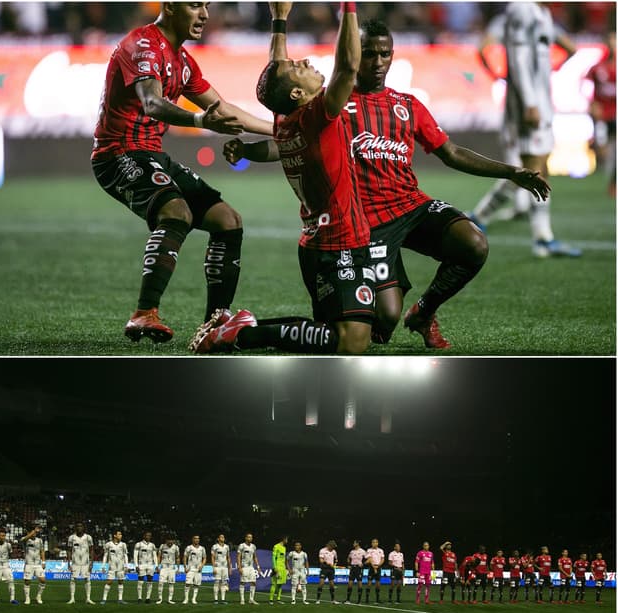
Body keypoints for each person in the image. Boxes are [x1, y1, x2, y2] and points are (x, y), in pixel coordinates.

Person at [224, 17, 552, 349]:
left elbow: (450, 152)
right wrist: (249, 151)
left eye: (386, 53)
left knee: (473, 244)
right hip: (368, 222)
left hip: (411, 206)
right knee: (383, 324)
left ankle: (424, 312)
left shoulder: (406, 105)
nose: (379, 62)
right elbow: (288, 142)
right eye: (369, 54)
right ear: (356, 53)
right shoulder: (332, 105)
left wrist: (510, 171)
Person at [90, 1, 273, 345]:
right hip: (117, 153)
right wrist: (201, 121)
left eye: (206, 6)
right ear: (171, 6)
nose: (204, 14)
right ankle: (144, 312)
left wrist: (283, 130)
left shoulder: (183, 61)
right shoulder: (142, 45)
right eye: (194, 5)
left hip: (153, 154)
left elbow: (226, 110)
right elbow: (152, 103)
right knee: (177, 212)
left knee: (228, 221)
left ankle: (215, 322)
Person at [198, 1, 374, 355]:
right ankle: (242, 336)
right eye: (299, 67)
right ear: (298, 94)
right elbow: (349, 66)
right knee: (351, 342)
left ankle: (241, 327)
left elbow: (276, 75)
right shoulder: (316, 116)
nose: (306, 61)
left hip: (316, 243)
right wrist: (348, 6)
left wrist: (279, 19)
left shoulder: (286, 119)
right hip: (339, 241)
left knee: (335, 332)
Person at [471, 3, 580, 257]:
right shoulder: (522, 9)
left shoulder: (542, 13)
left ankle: (480, 216)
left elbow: (566, 48)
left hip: (539, 102)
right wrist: (530, 101)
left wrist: (546, 76)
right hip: (525, 105)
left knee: (535, 167)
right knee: (532, 168)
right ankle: (542, 240)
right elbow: (518, 58)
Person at [586, 31, 616, 197]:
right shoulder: (598, 68)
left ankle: (614, 183)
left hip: (615, 115)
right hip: (603, 116)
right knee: (603, 150)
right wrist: (592, 105)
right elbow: (589, 89)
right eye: (610, 40)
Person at [66, 523, 95, 604]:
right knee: (72, 579)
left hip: (85, 562)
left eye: (81, 526)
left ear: (83, 528)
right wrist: (68, 563)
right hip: (75, 562)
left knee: (87, 579)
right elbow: (68, 550)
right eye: (78, 526)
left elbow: (92, 550)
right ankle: (72, 598)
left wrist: (92, 562)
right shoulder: (71, 538)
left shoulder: (88, 537)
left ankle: (88, 598)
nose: (79, 528)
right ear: (75, 528)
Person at [19, 525, 48, 605]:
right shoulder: (25, 540)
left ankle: (38, 596)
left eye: (35, 532)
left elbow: (42, 551)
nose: (34, 533)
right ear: (29, 532)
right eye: (32, 532)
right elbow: (24, 539)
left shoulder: (40, 540)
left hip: (38, 564)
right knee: (27, 581)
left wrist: (43, 562)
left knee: (43, 580)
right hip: (29, 564)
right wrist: (34, 531)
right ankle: (27, 598)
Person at [101, 530, 130, 604]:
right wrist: (103, 566)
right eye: (119, 534)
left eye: (121, 534)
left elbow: (125, 555)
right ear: (115, 535)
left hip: (121, 567)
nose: (121, 535)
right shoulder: (108, 544)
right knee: (109, 582)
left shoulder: (123, 544)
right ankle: (104, 599)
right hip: (112, 567)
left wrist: (126, 566)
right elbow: (105, 555)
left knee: (121, 582)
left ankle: (120, 599)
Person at [133, 531, 158, 603]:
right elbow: (135, 555)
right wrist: (136, 565)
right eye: (147, 535)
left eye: (150, 536)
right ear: (144, 536)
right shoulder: (139, 544)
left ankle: (148, 598)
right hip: (142, 564)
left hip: (150, 565)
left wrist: (156, 565)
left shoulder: (152, 545)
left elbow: (155, 556)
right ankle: (139, 598)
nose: (148, 537)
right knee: (140, 581)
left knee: (150, 581)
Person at [182, 534, 207, 605]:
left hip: (198, 569)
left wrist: (202, 565)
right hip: (190, 568)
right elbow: (184, 557)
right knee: (187, 584)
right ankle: (186, 599)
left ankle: (194, 599)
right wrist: (185, 566)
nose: (197, 540)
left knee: (196, 584)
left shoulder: (202, 548)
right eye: (195, 538)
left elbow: (204, 558)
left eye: (198, 538)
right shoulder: (189, 547)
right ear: (193, 539)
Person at [236, 532, 259, 605]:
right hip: (244, 566)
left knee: (253, 582)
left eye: (251, 537)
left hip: (251, 567)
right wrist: (239, 567)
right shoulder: (241, 546)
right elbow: (238, 556)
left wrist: (258, 566)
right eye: (249, 537)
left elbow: (255, 557)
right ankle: (242, 599)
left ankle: (251, 599)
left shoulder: (253, 546)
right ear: (246, 538)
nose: (250, 538)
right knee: (243, 582)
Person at [157, 536, 181, 604]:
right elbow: (159, 556)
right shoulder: (162, 546)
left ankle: (170, 599)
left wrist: (178, 568)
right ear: (166, 540)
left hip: (171, 567)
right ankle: (160, 599)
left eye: (172, 540)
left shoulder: (176, 547)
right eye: (169, 540)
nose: (170, 542)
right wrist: (158, 566)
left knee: (171, 584)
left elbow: (178, 558)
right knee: (161, 583)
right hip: (163, 567)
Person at [211, 533, 231, 605]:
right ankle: (215, 599)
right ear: (218, 539)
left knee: (223, 583)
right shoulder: (214, 546)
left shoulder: (227, 547)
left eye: (223, 537)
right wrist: (213, 567)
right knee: (216, 582)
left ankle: (223, 599)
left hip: (225, 567)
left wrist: (230, 567)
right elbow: (212, 557)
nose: (222, 538)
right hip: (217, 567)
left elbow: (228, 557)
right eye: (221, 537)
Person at [316, 539, 338, 604]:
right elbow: (321, 560)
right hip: (324, 569)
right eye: (332, 546)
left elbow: (336, 559)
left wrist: (334, 565)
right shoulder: (322, 550)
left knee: (332, 585)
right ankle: (318, 599)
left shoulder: (334, 551)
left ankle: (333, 600)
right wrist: (327, 563)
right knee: (321, 584)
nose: (333, 548)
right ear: (329, 545)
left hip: (331, 570)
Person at [268, 535, 289, 604]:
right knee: (274, 584)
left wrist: (285, 568)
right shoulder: (276, 546)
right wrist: (274, 567)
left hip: (282, 568)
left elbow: (283, 559)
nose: (287, 541)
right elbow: (273, 558)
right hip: (277, 568)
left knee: (280, 584)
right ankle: (271, 600)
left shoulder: (284, 548)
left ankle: (278, 599)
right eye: (286, 539)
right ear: (284, 539)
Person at [365, 539, 386, 603]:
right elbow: (369, 559)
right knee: (369, 583)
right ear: (371, 543)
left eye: (376, 542)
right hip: (371, 567)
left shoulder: (381, 550)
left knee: (378, 583)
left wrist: (378, 565)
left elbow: (382, 559)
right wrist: (373, 567)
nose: (374, 543)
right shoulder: (369, 550)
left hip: (378, 567)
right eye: (373, 542)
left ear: (377, 543)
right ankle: (367, 599)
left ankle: (377, 599)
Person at [346, 540, 366, 604]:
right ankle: (348, 600)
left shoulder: (362, 551)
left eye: (354, 543)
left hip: (359, 568)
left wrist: (363, 564)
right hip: (352, 568)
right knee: (350, 583)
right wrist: (349, 565)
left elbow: (369, 558)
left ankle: (359, 601)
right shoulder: (352, 551)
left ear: (357, 544)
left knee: (359, 583)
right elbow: (348, 558)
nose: (353, 544)